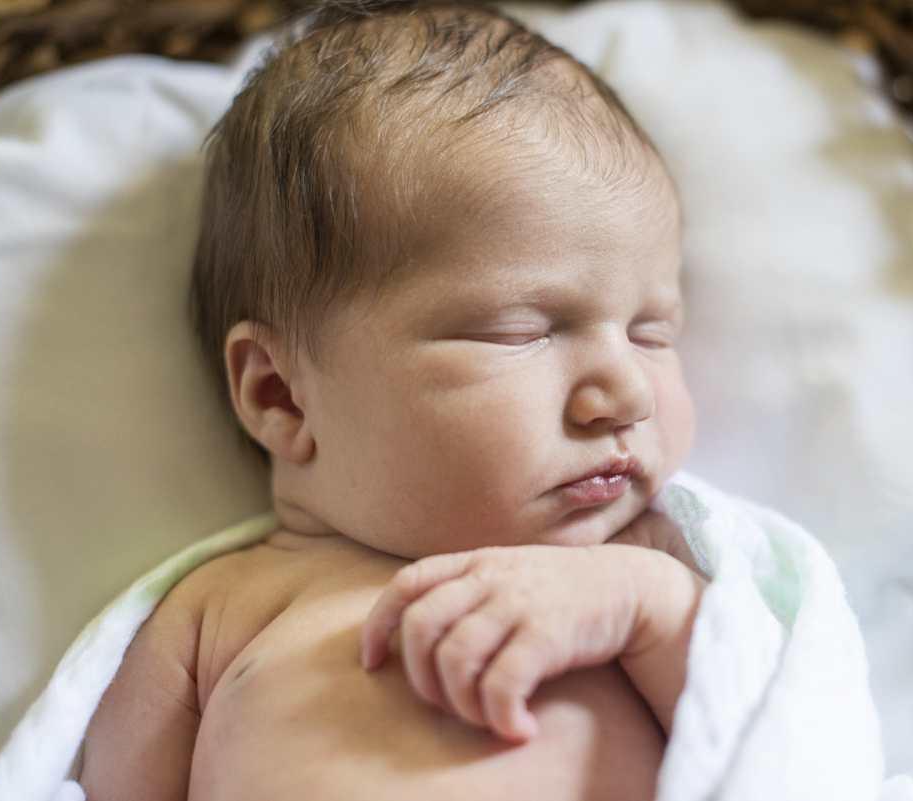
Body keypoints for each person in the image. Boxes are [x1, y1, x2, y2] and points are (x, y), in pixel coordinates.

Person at [80, 1, 705, 798]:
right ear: (283, 396)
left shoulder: (643, 567)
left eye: (653, 332)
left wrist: (641, 607)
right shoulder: (221, 609)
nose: (624, 391)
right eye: (519, 332)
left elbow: (764, 723)